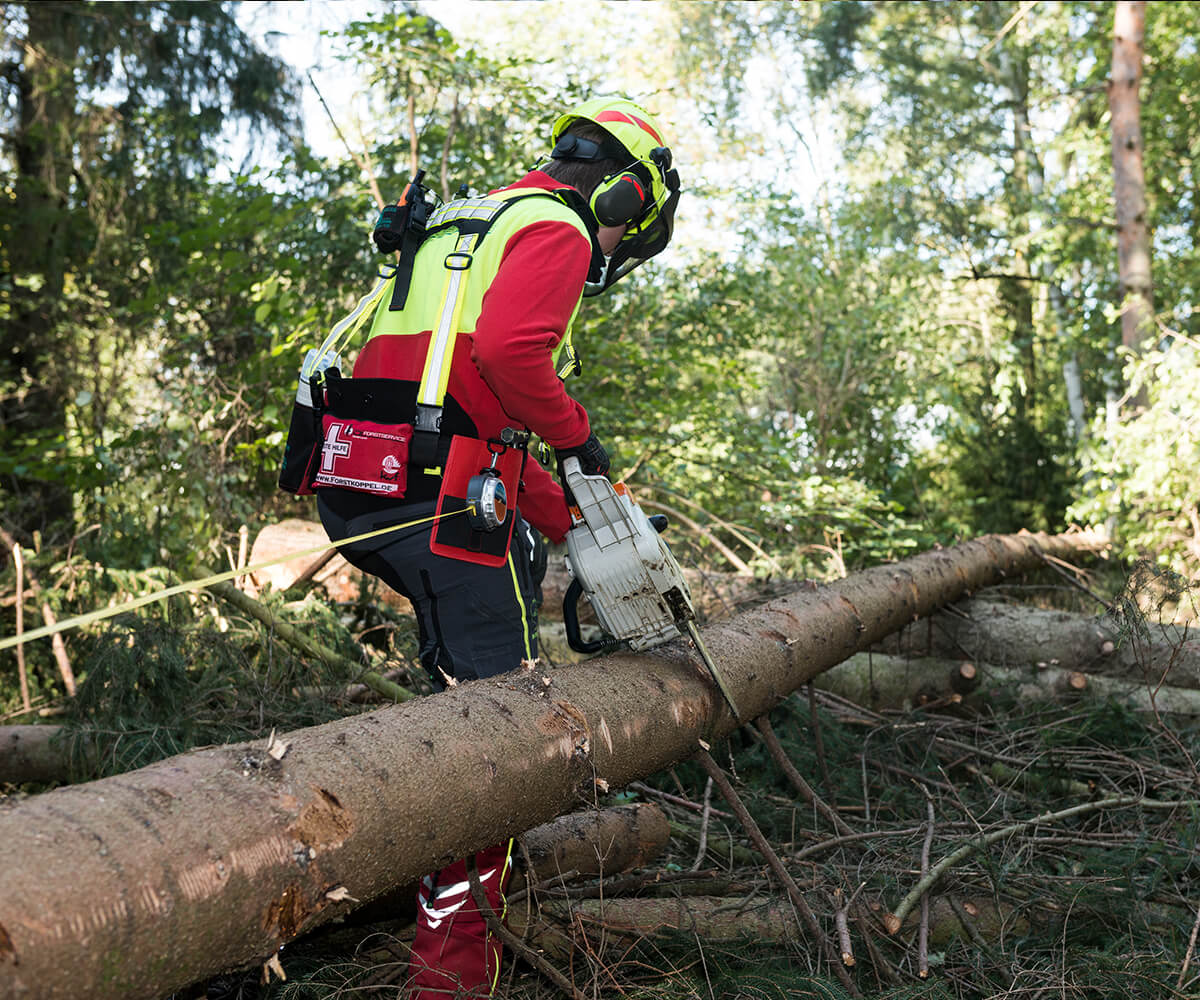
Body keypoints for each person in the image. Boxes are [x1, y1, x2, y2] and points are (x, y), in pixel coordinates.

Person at [313, 96, 680, 999]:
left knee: (460, 702)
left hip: (369, 480)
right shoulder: (555, 226)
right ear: (628, 196)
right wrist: (581, 439)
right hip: (443, 507)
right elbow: (513, 361)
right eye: (627, 239)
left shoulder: (467, 219)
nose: (611, 259)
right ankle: (451, 981)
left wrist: (574, 519)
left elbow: (464, 400)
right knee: (506, 736)